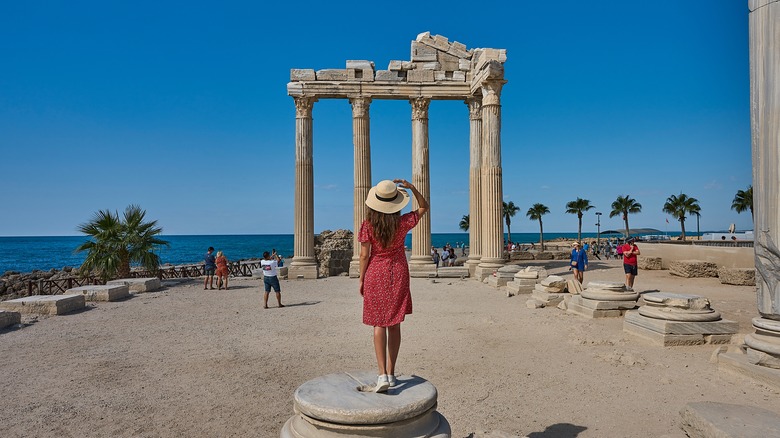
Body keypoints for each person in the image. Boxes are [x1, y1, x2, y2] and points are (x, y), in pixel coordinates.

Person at [359, 178, 429, 393]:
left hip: (375, 272)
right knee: (395, 324)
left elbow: (364, 255)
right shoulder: (402, 223)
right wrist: (412, 188)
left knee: (378, 324)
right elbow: (424, 207)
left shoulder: (368, 225)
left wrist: (361, 279)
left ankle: (381, 376)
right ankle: (391, 373)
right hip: (398, 271)